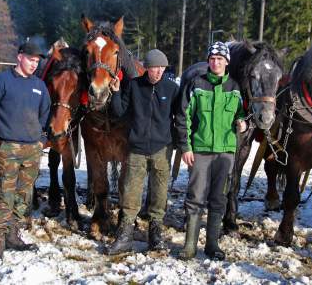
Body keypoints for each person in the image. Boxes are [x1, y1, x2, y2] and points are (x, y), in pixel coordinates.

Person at [0, 41, 51, 266]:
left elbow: (46, 115)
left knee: (24, 197)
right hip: (8, 148)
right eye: (31, 59)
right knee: (4, 196)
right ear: (19, 57)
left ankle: (12, 234)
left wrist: (42, 140)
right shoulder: (2, 81)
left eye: (37, 61)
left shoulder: (39, 85)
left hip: (32, 151)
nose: (34, 64)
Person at [176, 42, 247, 261]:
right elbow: (182, 117)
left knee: (219, 199)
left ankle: (212, 244)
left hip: (225, 152)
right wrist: (186, 147)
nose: (215, 62)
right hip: (200, 151)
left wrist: (242, 122)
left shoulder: (235, 87)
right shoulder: (196, 84)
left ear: (227, 62)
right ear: (208, 61)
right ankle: (189, 246)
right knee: (195, 197)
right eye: (212, 58)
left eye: (219, 59)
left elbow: (240, 113)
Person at [106, 49, 180, 255]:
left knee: (159, 194)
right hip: (136, 149)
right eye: (153, 68)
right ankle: (125, 235)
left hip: (162, 150)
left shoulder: (173, 89)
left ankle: (155, 235)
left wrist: (180, 143)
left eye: (160, 68)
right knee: (131, 192)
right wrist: (117, 92)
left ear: (165, 69)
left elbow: (180, 118)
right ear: (146, 68)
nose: (156, 72)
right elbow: (119, 112)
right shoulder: (134, 86)